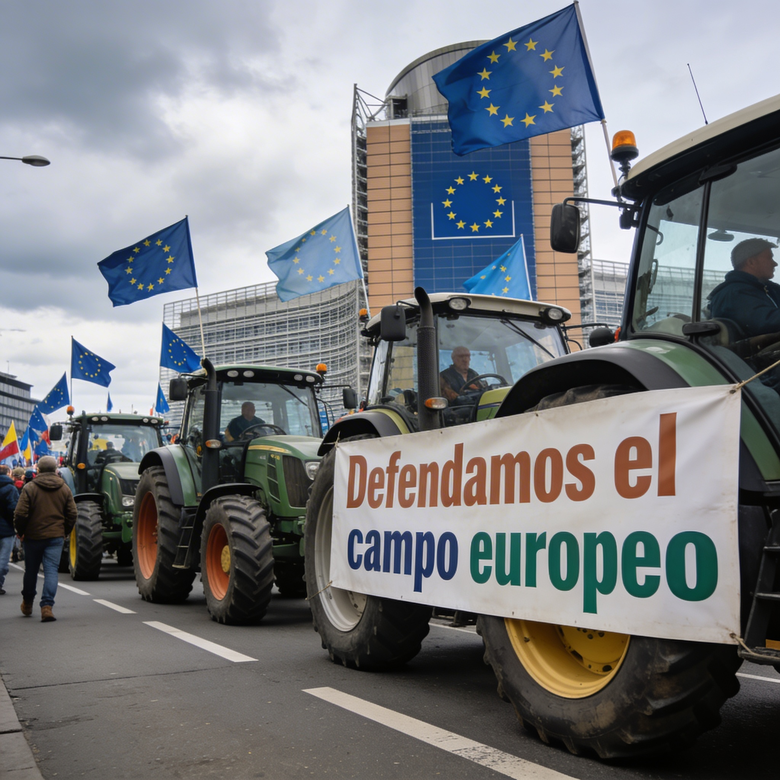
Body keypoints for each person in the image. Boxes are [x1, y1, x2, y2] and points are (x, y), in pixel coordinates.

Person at [14, 455, 77, 622]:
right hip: (55, 536)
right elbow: (72, 513)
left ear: (38, 470)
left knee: (31, 572)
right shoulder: (64, 488)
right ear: (56, 470)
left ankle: (27, 603)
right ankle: (47, 607)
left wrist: (21, 531)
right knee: (51, 571)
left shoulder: (30, 488)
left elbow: (20, 513)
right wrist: (65, 530)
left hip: (33, 536)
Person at [708, 238, 780, 338]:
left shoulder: (768, 289)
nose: (775, 263)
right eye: (769, 258)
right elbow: (765, 323)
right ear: (751, 262)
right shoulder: (735, 294)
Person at [0, 464, 19, 596]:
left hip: (6, 528)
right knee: (3, 559)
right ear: (8, 473)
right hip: (6, 530)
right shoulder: (11, 489)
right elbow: (14, 509)